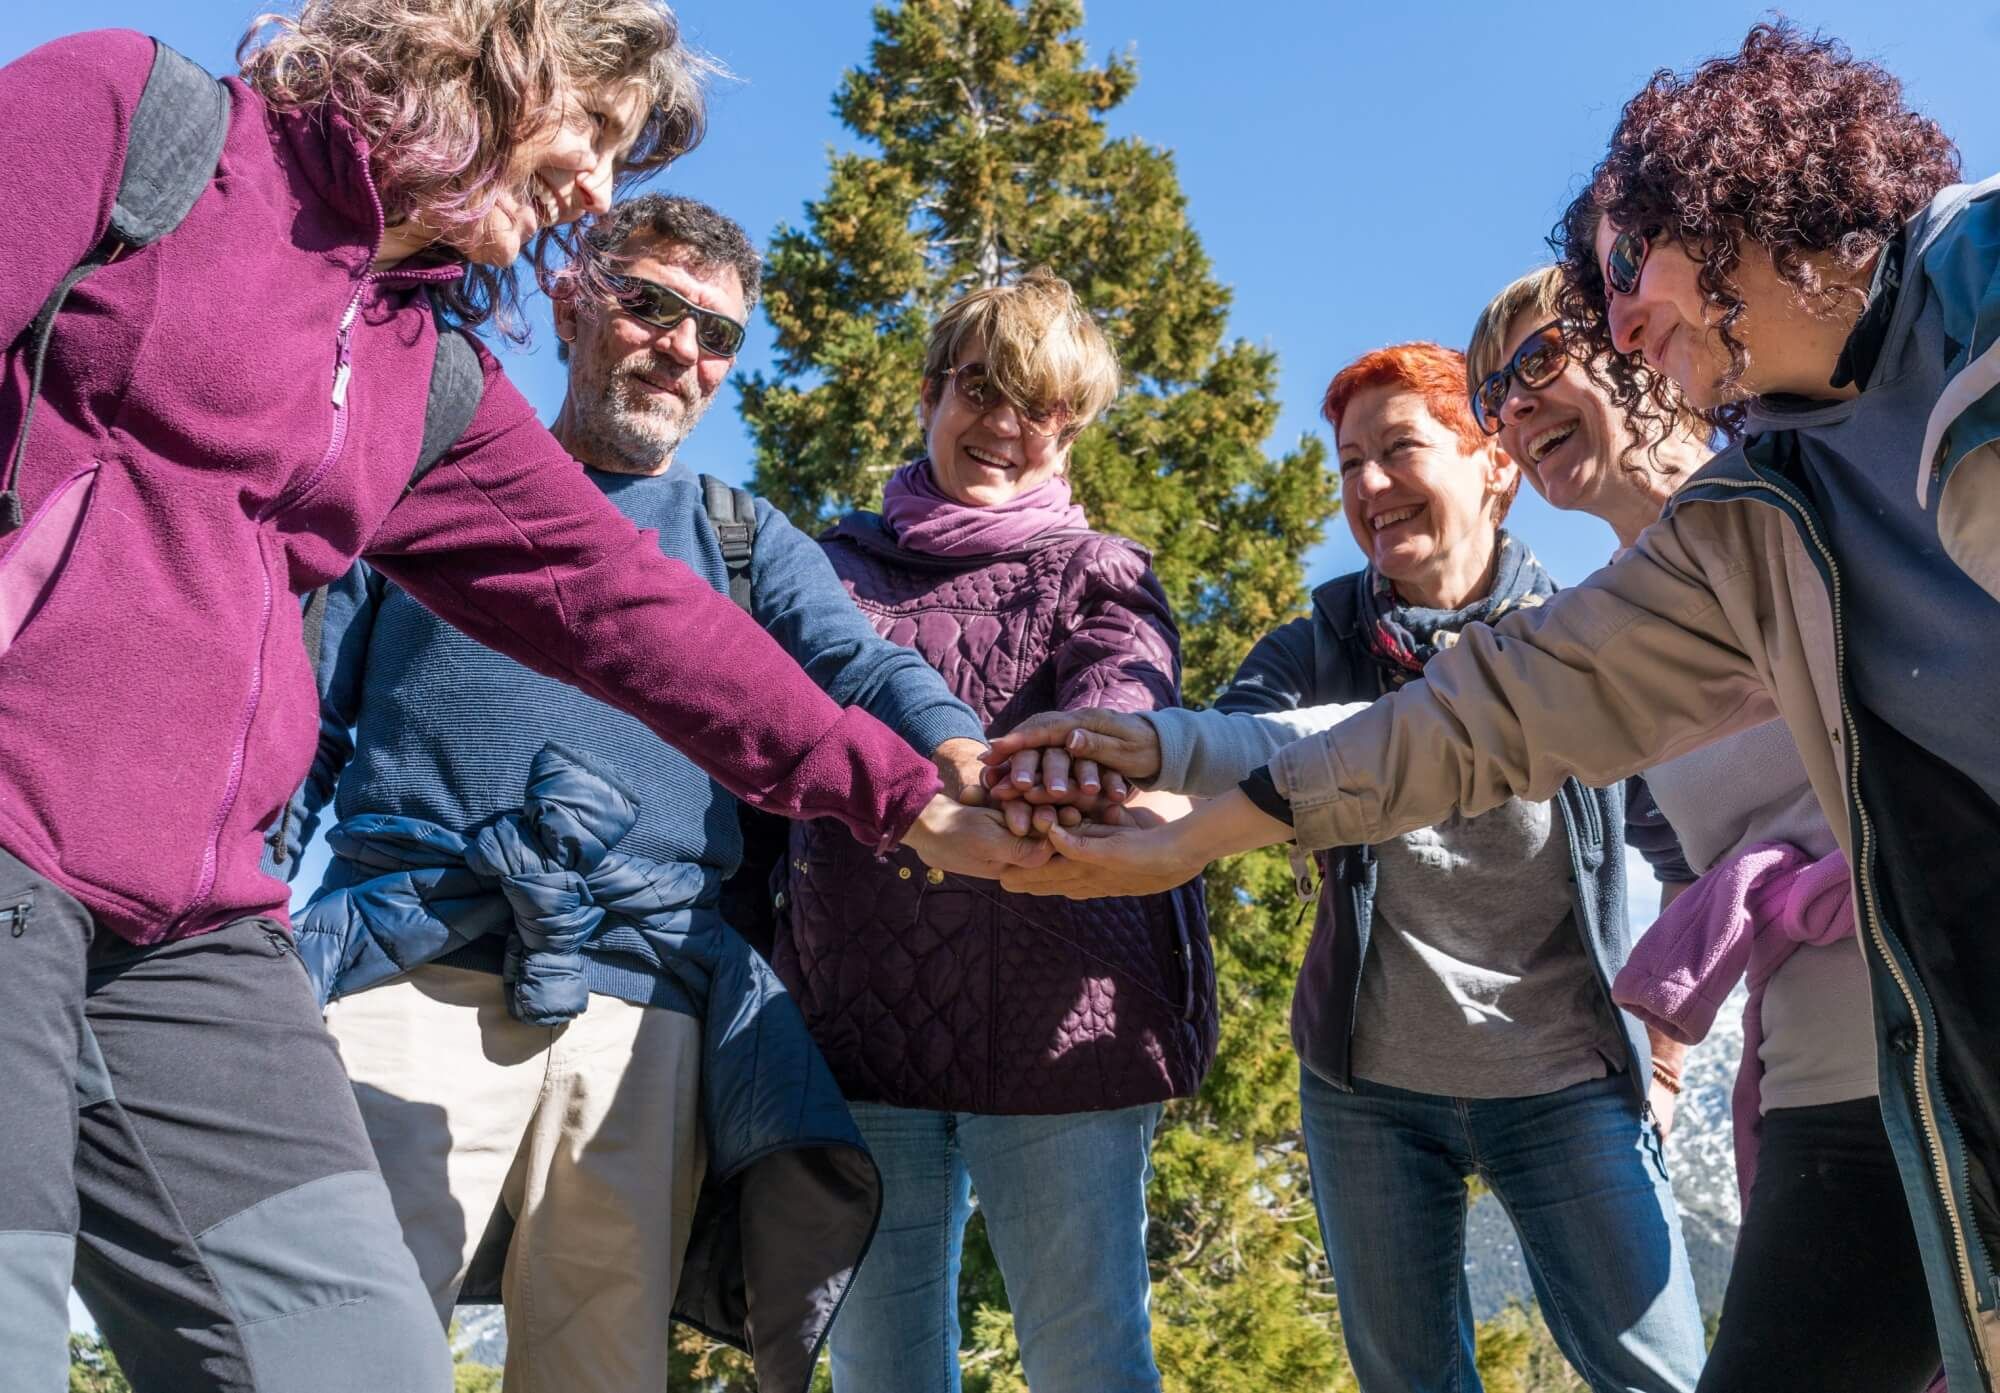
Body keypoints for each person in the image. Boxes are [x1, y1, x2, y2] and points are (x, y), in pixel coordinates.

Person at [0, 8, 1032, 1389]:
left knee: (363, 1364)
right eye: (594, 130)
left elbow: (634, 616)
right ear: (485, 43)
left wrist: (906, 791)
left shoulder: (424, 378)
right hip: (20, 836)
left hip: (188, 944)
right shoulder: (136, 121)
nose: (600, 186)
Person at [988, 24, 2000, 1390]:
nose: (1622, 323)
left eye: (1619, 284)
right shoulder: (1748, 531)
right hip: (1867, 1060)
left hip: (1743, 1055)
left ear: (1739, 197)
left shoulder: (1973, 278)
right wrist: (1193, 811)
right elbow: (1486, 716)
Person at [280, 194, 995, 1393]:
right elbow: (300, 721)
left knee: (600, 1363)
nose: (682, 349)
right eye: (652, 306)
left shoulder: (739, 536)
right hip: (411, 961)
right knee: (346, 1339)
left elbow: (860, 666)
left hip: (650, 998)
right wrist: (236, 910)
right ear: (571, 300)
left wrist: (956, 745)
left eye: (716, 334)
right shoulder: (425, 479)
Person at [1029, 341, 1709, 1392]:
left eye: (1399, 449)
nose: (1369, 487)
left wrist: (1661, 1051)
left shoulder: (1578, 636)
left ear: (1494, 465)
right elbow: (1224, 759)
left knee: (1659, 1376)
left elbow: (1692, 852)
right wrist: (1104, 807)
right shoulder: (1315, 642)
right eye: (1348, 464)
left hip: (1568, 1084)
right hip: (1369, 1092)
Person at [1471, 269, 1939, 1391]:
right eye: (1496, 395)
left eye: (1539, 362)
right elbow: (1700, 881)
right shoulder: (1610, 642)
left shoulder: (1812, 486)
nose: (1517, 407)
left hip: (1955, 1032)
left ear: (1638, 341)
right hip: (1822, 1090)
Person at [771, 271, 1215, 1393]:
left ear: (1068, 430)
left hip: (1067, 1024)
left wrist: (1086, 745)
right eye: (982, 388)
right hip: (861, 1016)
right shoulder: (829, 573)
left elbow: (1129, 687)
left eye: (1041, 404)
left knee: (1089, 1362)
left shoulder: (1099, 570)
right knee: (880, 1371)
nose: (1005, 425)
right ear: (930, 392)